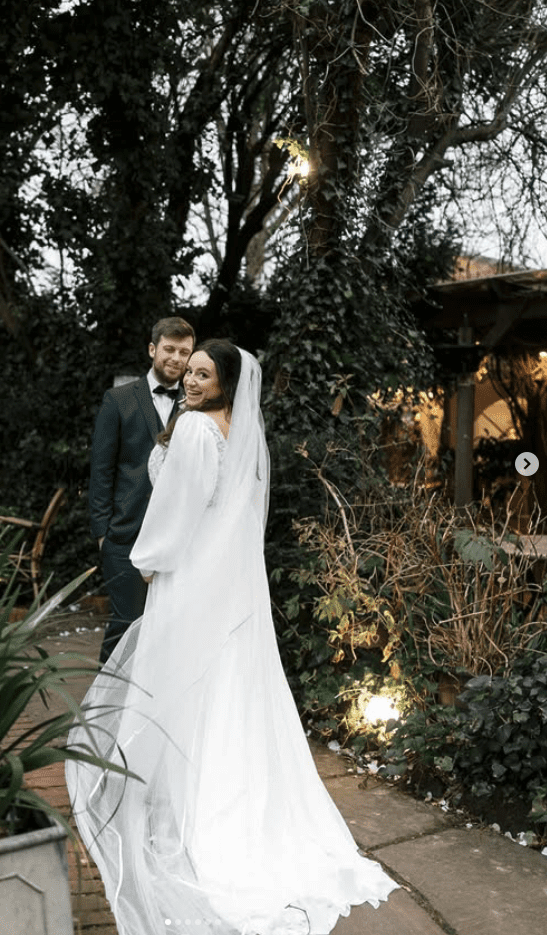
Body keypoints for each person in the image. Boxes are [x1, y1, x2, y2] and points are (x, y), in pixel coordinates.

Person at [67, 340, 399, 935]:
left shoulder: (194, 430)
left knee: (182, 679)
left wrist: (148, 558)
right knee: (227, 686)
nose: (191, 381)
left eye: (202, 373)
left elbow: (177, 507)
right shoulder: (238, 428)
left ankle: (192, 808)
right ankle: (232, 798)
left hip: (190, 573)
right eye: (188, 371)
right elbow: (237, 514)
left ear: (225, 381)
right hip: (231, 582)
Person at [89, 317, 195, 663]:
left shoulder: (196, 404)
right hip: (125, 535)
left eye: (184, 352)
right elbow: (101, 471)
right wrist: (103, 533)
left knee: (168, 629)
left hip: (178, 539)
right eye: (169, 349)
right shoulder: (118, 400)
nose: (176, 359)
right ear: (153, 350)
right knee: (125, 627)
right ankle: (103, 713)